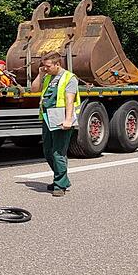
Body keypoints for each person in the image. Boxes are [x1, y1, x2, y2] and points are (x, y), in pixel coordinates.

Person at [31, 51, 80, 197]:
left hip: (60, 118)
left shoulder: (69, 78)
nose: (45, 68)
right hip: (47, 118)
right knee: (47, 151)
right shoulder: (47, 77)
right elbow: (34, 89)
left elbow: (69, 100)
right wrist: (40, 74)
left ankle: (60, 184)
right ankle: (62, 179)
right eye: (43, 66)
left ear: (57, 64)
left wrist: (68, 120)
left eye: (47, 66)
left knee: (58, 152)